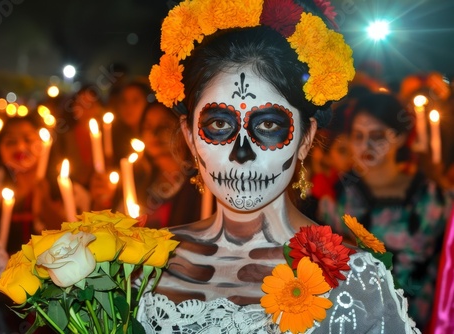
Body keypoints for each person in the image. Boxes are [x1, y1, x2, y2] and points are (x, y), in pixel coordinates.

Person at [137, 1, 419, 333]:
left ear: (305, 138)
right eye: (219, 125)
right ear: (189, 135)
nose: (241, 153)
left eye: (268, 126)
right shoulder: (139, 266)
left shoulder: (356, 281)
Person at [317, 92, 452, 331]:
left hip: (421, 323)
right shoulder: (335, 198)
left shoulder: (435, 198)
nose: (365, 145)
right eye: (358, 136)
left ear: (399, 137)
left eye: (377, 136)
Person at [0, 114, 66, 254]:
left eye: (28, 140)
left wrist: (45, 204)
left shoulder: (66, 190)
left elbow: (71, 238)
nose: (20, 147)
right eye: (11, 142)